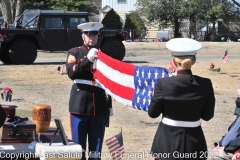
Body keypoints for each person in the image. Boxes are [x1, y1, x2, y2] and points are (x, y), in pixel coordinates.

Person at [148, 38, 215, 160]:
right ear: (193, 61)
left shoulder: (163, 84)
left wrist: (154, 96)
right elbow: (207, 115)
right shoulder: (205, 84)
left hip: (167, 143)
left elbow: (153, 113)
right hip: (195, 143)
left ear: (173, 60)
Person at [66, 22, 111, 160]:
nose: (91, 37)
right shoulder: (75, 52)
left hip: (99, 105)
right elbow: (71, 73)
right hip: (80, 104)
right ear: (83, 36)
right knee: (78, 148)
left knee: (95, 150)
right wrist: (87, 59)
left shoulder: (104, 54)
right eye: (88, 34)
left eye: (94, 34)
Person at [208, 88, 240, 160]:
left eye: (239, 97)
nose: (237, 100)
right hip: (223, 149)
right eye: (238, 96)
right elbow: (231, 132)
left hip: (230, 152)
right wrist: (219, 144)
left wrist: (225, 149)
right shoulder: (239, 115)